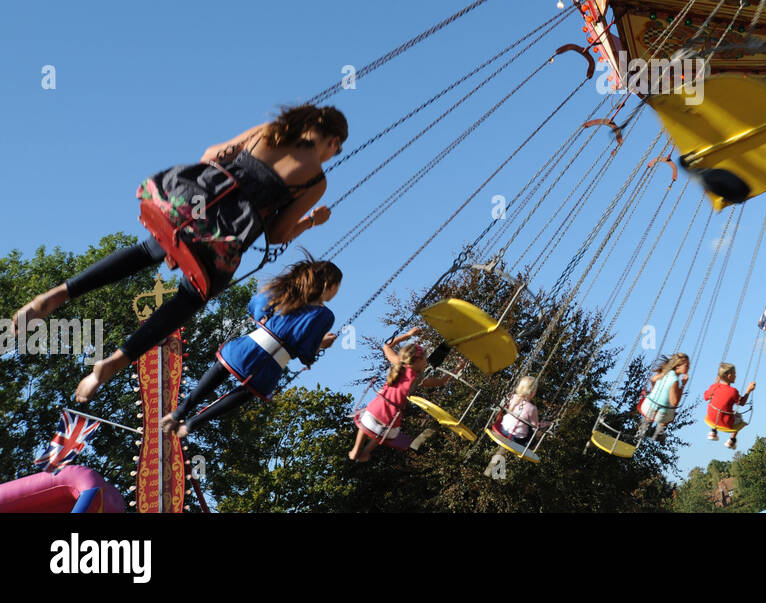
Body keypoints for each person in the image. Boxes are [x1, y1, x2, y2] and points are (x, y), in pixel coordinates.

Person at [10, 104, 347, 402]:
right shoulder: (315, 181)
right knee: (192, 295)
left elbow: (212, 154)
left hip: (195, 209)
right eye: (336, 149)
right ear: (332, 142)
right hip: (226, 237)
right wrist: (309, 223)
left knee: (148, 249)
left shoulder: (268, 133)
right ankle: (116, 360)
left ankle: (56, 295)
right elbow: (276, 234)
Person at [160, 258, 341, 437]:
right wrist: (321, 344)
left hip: (246, 348)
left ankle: (179, 412)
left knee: (221, 368)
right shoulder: (324, 315)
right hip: (269, 366)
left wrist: (267, 321)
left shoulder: (285, 291)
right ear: (327, 284)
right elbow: (304, 350)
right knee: (249, 391)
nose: (336, 294)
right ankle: (193, 424)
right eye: (336, 288)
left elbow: (256, 305)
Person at [349, 327, 452, 462]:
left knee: (368, 416)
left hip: (370, 417)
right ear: (418, 360)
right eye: (425, 359)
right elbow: (440, 382)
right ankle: (366, 452)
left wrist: (408, 335)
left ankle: (357, 448)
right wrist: (458, 368)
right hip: (389, 428)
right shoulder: (417, 379)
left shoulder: (398, 364)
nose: (426, 362)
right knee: (383, 432)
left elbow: (386, 346)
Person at [638, 352, 689, 441]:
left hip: (646, 407)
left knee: (651, 400)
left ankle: (643, 428)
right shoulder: (675, 380)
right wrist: (683, 385)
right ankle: (659, 433)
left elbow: (653, 379)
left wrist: (653, 389)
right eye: (687, 365)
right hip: (661, 415)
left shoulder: (665, 372)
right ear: (678, 366)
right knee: (671, 412)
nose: (688, 368)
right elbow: (674, 402)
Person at [702, 363, 756, 449]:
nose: (736, 376)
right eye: (734, 374)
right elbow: (742, 403)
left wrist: (715, 384)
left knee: (718, 409)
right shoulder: (733, 391)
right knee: (739, 417)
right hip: (726, 422)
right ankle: (732, 440)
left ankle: (713, 432)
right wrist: (748, 390)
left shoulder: (714, 387)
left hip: (711, 418)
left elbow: (705, 397)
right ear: (729, 376)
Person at [498, 375, 552, 446]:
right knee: (532, 434)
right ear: (533, 392)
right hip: (516, 438)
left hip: (502, 428)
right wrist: (547, 424)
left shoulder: (512, 397)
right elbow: (535, 426)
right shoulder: (532, 408)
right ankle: (529, 445)